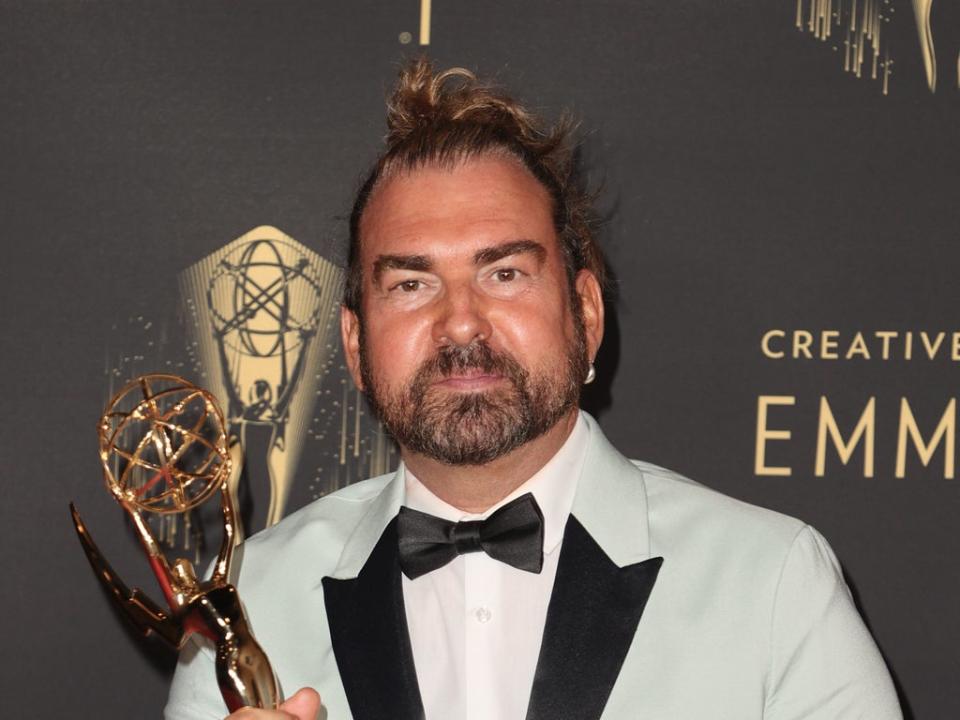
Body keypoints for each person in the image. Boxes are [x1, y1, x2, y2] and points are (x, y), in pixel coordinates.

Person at [165, 57, 903, 720]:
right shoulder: (249, 600)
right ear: (356, 347)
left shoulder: (771, 584)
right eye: (412, 283)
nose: (460, 324)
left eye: (504, 273)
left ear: (584, 313)